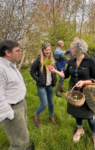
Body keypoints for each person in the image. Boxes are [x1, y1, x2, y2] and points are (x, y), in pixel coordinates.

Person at [48, 40, 95, 149]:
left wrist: (84, 82)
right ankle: (80, 129)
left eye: (72, 49)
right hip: (73, 92)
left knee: (90, 116)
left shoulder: (91, 61)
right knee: (77, 113)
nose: (70, 50)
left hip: (87, 93)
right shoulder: (72, 61)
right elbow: (65, 75)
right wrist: (54, 71)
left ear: (79, 49)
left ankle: (94, 134)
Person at [0, 40, 34, 150]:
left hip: (20, 104)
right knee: (19, 143)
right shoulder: (1, 69)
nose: (20, 53)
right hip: (12, 109)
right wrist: (8, 113)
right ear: (7, 53)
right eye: (17, 51)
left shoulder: (11, 65)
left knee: (22, 134)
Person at [30, 43, 57, 127]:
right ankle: (36, 115)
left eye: (49, 49)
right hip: (41, 86)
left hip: (50, 85)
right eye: (46, 50)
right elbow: (32, 72)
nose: (48, 51)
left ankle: (51, 116)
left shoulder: (51, 59)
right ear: (42, 51)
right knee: (44, 104)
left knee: (51, 103)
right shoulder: (38, 59)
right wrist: (38, 80)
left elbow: (52, 71)